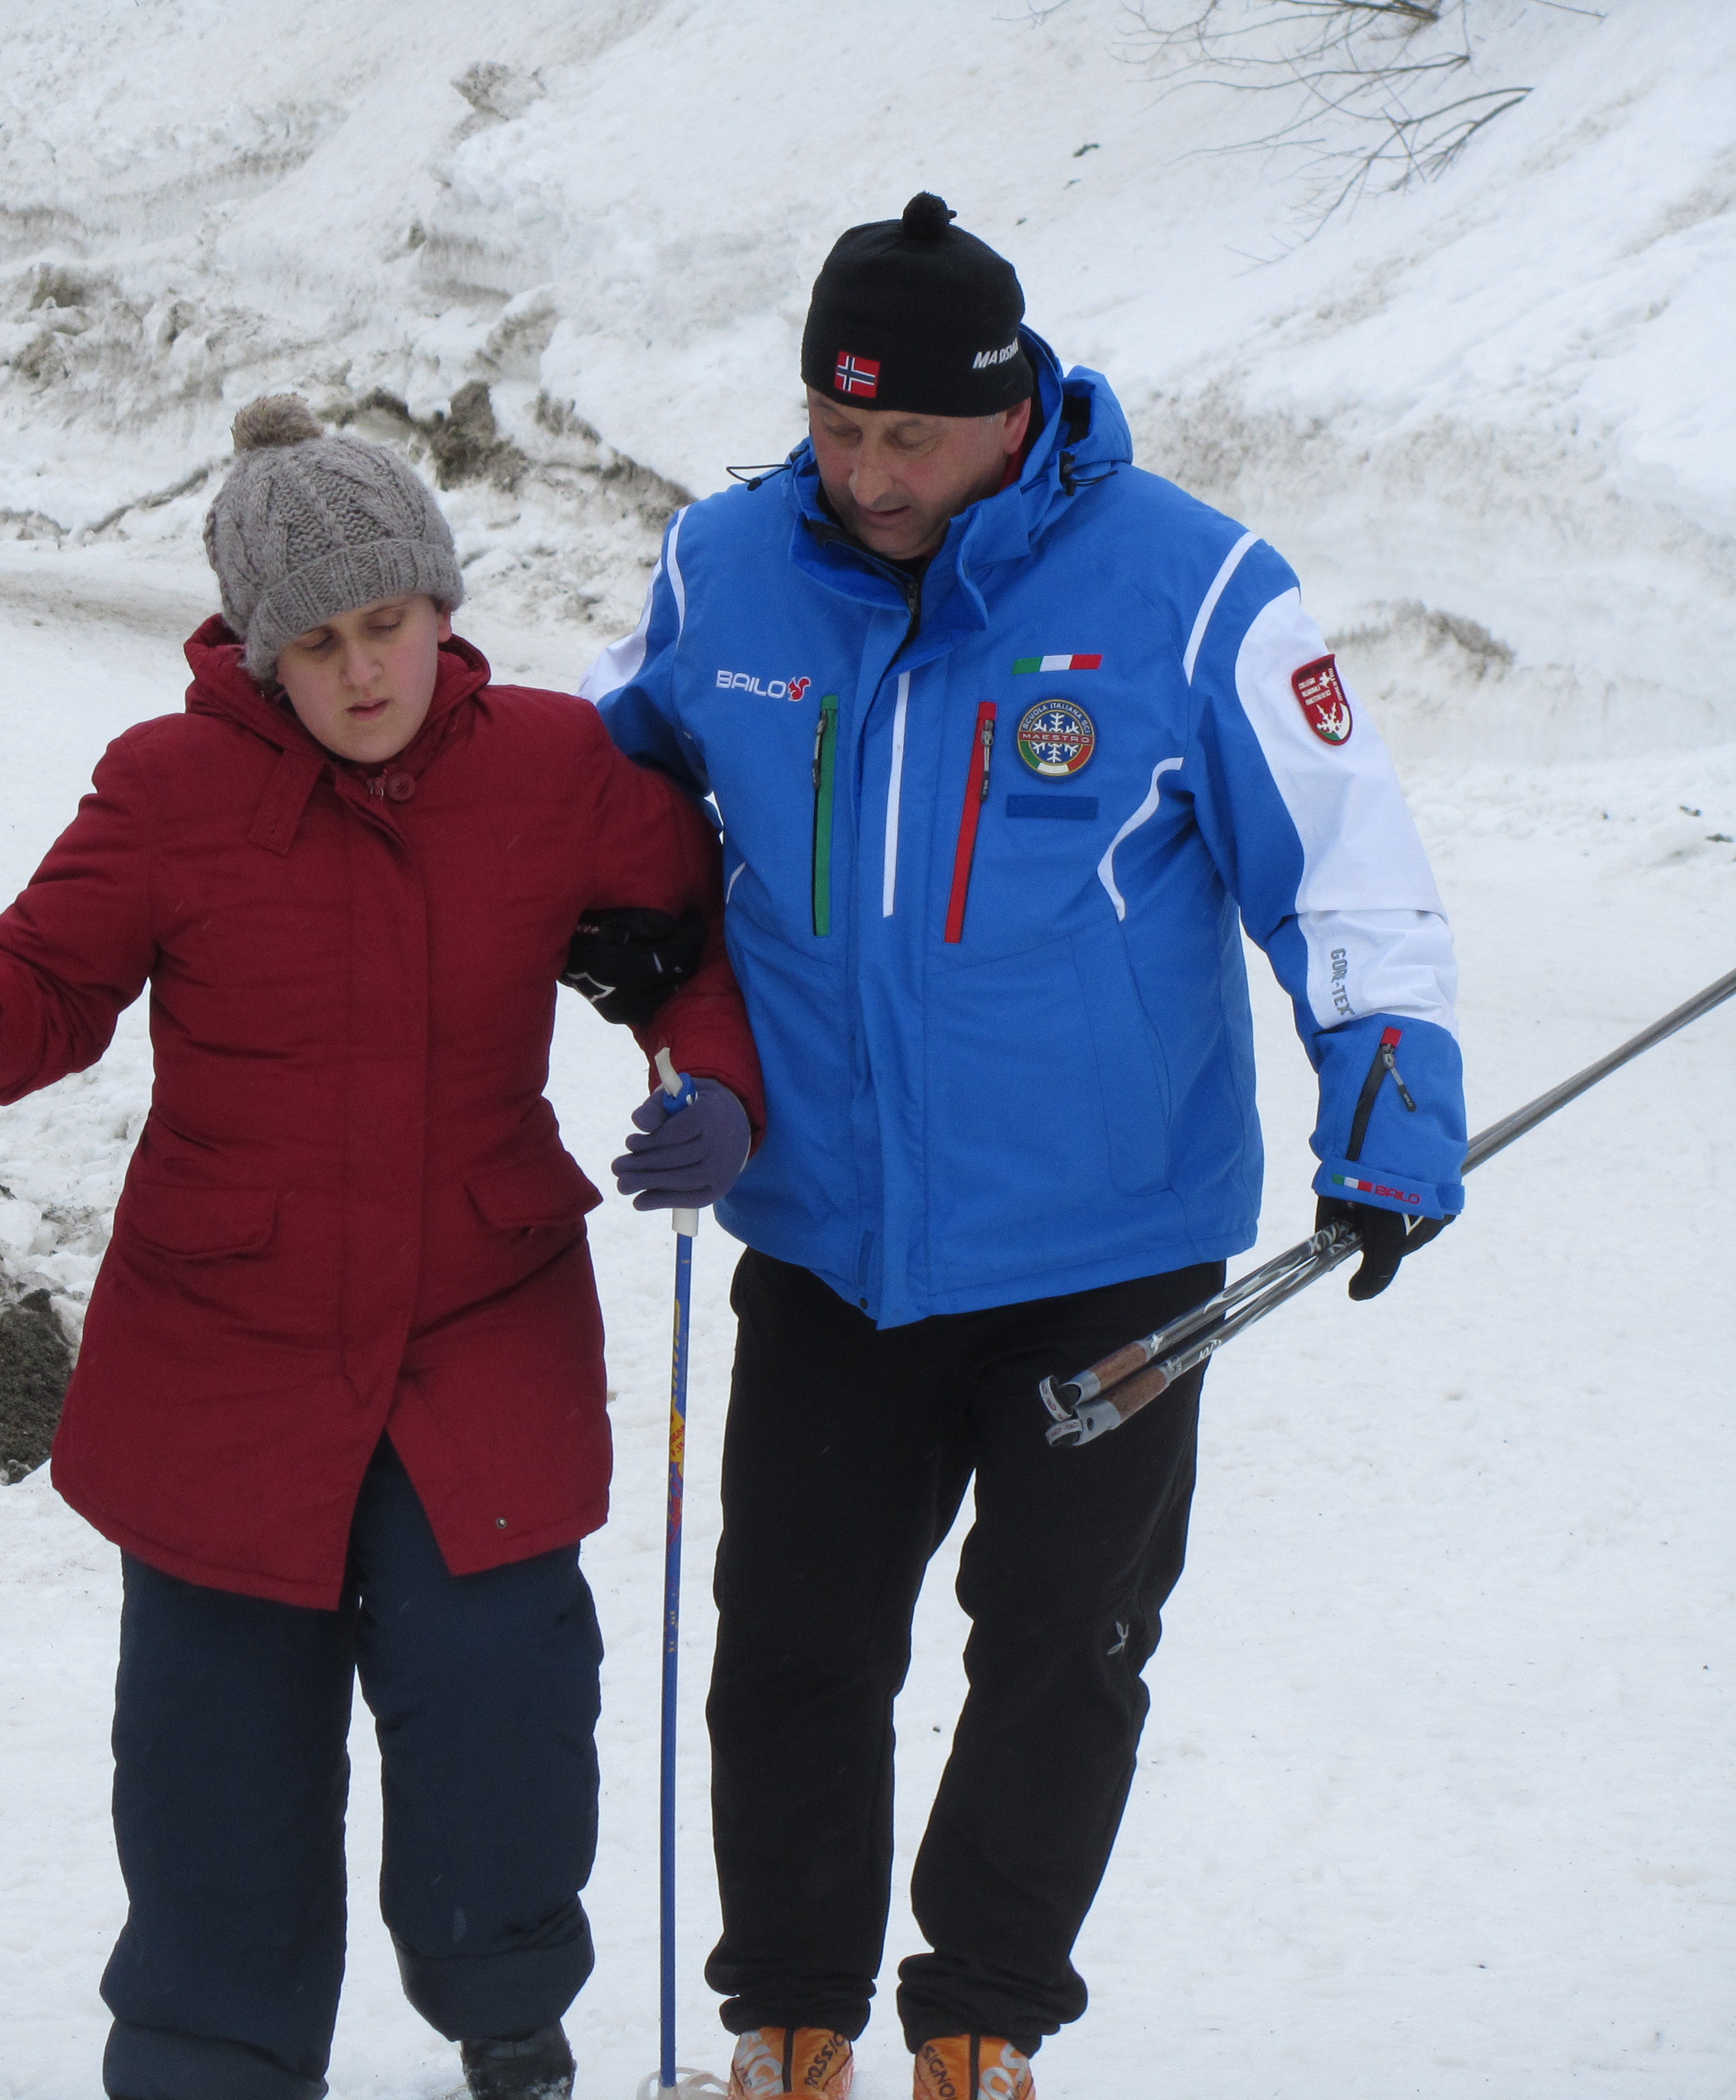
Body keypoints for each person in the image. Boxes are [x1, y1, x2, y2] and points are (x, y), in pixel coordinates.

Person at [585, 195, 1467, 2100]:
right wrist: (625, 917)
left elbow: (1348, 873)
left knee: (1066, 1643)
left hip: (1106, 1247)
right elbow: (612, 781)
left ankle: (981, 2016)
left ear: (1014, 414)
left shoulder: (1196, 590)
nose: (867, 477)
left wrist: (1389, 1096)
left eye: (909, 437)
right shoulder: (726, 567)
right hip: (830, 1236)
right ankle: (791, 2018)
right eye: (836, 428)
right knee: (794, 1640)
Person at [0, 395, 765, 2100]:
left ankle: (510, 2014)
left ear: (441, 607)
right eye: (320, 643)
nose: (363, 673)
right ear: (259, 653)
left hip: (480, 1316)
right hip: (224, 1341)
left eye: (388, 624)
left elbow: (697, 934)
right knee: (215, 1742)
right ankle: (209, 2057)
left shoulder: (555, 769)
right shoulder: (168, 788)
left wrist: (712, 1087)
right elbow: (46, 993)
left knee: (500, 1684)